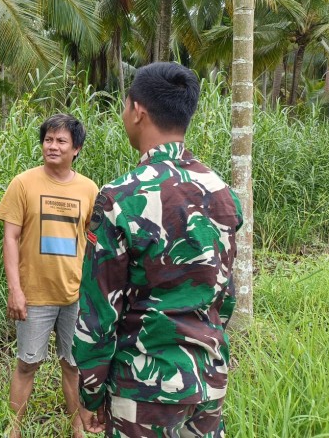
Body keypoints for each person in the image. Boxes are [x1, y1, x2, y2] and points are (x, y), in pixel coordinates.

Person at [74, 63, 243, 438]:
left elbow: (99, 312)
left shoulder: (120, 198)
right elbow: (225, 294)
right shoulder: (223, 193)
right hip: (208, 379)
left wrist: (90, 393)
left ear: (138, 111)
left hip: (145, 386)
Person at [0, 114, 99, 438]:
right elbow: (10, 238)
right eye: (48, 140)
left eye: (61, 141)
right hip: (34, 295)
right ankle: (14, 430)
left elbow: (94, 240)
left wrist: (93, 289)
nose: (52, 146)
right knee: (27, 364)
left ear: (76, 148)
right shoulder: (23, 183)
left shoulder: (89, 189)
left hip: (74, 295)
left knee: (73, 365)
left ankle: (77, 429)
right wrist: (15, 290)